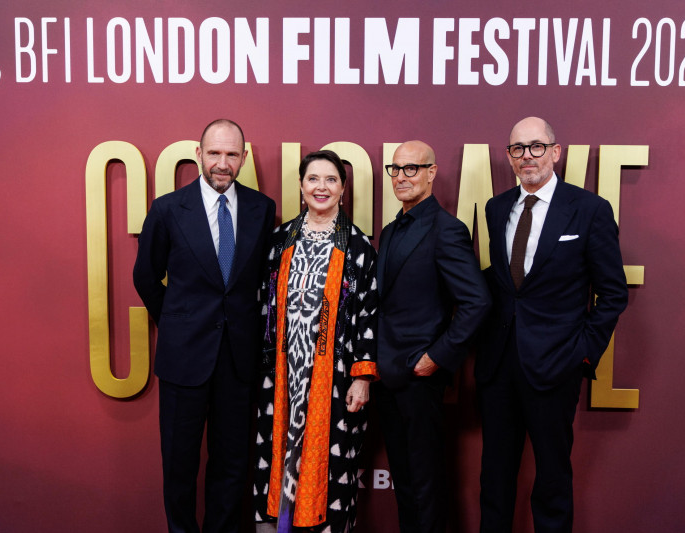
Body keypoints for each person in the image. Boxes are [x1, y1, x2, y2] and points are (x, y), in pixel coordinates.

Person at [477, 117, 629, 532]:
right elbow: (503, 288)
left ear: (555, 152)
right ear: (509, 157)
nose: (527, 156)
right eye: (518, 149)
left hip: (555, 367)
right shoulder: (495, 208)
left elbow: (613, 292)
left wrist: (582, 353)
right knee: (494, 479)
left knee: (552, 481)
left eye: (536, 147)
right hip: (499, 365)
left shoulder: (590, 210)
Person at [133, 119, 276, 533]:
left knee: (232, 465)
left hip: (238, 361)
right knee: (179, 465)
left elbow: (261, 283)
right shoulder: (167, 209)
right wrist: (177, 323)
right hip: (183, 360)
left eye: (232, 154)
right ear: (198, 155)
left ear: (244, 158)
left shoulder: (261, 209)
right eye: (214, 153)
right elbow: (146, 277)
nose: (222, 163)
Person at [253, 150, 379, 532]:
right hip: (281, 376)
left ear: (342, 189)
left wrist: (362, 376)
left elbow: (369, 315)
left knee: (329, 468)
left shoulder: (358, 247)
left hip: (334, 379)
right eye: (313, 179)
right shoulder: (278, 242)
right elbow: (260, 306)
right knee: (277, 460)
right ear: (301, 185)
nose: (321, 187)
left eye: (330, 180)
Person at [375, 141, 490, 533]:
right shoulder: (390, 231)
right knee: (405, 484)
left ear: (432, 172)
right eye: (396, 169)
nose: (402, 177)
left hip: (421, 379)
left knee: (426, 485)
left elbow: (476, 302)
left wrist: (436, 357)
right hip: (387, 377)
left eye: (412, 169)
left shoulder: (447, 230)